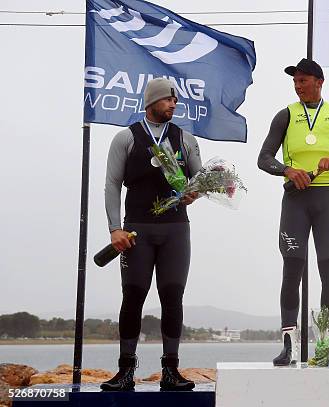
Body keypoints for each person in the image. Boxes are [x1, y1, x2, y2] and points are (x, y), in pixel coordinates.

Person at [258, 58, 329, 366]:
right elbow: (263, 158)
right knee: (291, 271)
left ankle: (328, 345)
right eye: (294, 82)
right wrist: (287, 170)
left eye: (303, 81)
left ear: (319, 82)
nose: (297, 86)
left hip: (327, 202)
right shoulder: (285, 116)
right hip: (295, 202)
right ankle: (288, 346)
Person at [101, 78, 201, 391]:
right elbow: (112, 184)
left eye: (176, 101)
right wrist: (114, 228)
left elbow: (199, 177)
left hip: (175, 230)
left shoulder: (184, 137)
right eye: (169, 100)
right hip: (136, 230)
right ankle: (125, 370)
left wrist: (193, 192)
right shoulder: (125, 138)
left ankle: (171, 370)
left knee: (173, 297)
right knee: (133, 296)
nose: (174, 105)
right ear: (152, 102)